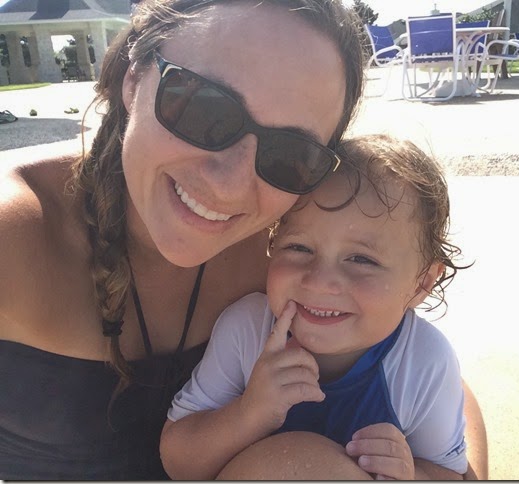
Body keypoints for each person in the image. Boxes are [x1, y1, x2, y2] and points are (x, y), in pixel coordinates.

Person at [0, 0, 487, 480]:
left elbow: (428, 380)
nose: (230, 184)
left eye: (292, 152)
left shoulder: (284, 255)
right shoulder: (13, 236)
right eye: (201, 107)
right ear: (134, 77)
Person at [161, 134, 470, 480]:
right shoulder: (246, 330)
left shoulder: (424, 362)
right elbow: (179, 462)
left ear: (421, 283)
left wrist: (412, 475)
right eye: (299, 248)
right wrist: (249, 413)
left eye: (362, 259)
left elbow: (452, 474)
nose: (319, 281)